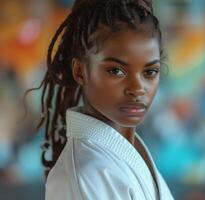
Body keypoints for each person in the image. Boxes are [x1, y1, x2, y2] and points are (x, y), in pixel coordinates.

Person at [24, 0, 174, 199]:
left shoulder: (126, 154)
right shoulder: (85, 176)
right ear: (80, 71)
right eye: (116, 71)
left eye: (150, 72)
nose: (138, 89)